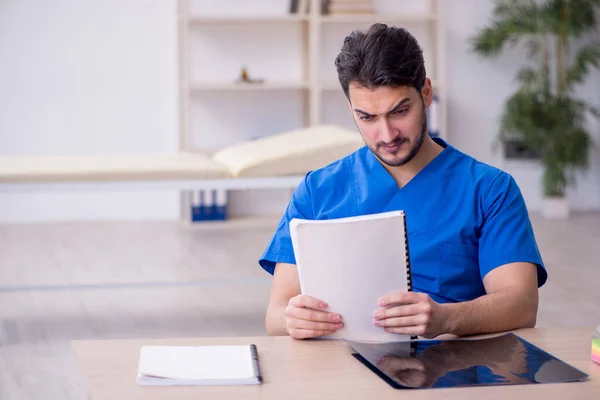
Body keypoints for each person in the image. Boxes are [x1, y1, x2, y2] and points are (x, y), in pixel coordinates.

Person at [258, 23, 547, 340]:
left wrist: (446, 319)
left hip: (450, 373)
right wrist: (293, 321)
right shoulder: (318, 191)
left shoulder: (490, 190)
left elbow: (521, 305)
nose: (387, 135)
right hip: (341, 373)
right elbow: (276, 314)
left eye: (399, 111)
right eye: (366, 117)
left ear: (426, 92)